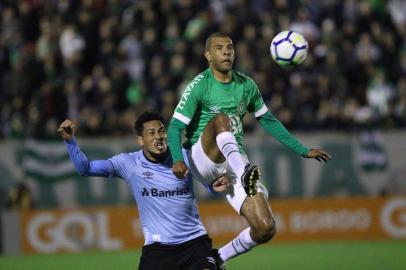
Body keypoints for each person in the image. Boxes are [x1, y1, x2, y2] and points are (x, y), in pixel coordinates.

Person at [167, 32, 332, 268]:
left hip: (233, 159)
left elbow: (268, 120)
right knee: (221, 119)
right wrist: (177, 159)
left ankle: (217, 258)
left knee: (265, 227)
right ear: (208, 55)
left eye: (230, 48)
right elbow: (174, 127)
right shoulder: (199, 86)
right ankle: (243, 171)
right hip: (202, 157)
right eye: (219, 48)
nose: (226, 52)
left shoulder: (246, 85)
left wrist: (303, 150)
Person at [58, 112, 229, 270]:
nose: (159, 137)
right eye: (152, 133)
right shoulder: (129, 163)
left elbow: (205, 180)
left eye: (162, 132)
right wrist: (70, 141)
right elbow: (85, 168)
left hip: (195, 242)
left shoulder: (183, 156)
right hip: (158, 248)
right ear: (140, 140)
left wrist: (212, 185)